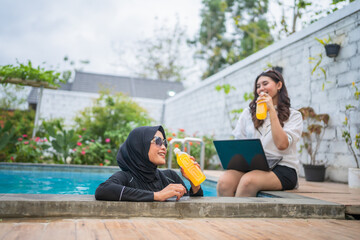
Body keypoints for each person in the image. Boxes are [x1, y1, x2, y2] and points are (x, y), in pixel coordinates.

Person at [217, 69, 303, 197]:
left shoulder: (294, 115)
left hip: (283, 168)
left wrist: (272, 111)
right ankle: (225, 217)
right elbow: (239, 142)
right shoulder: (248, 113)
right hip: (254, 165)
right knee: (224, 182)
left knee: (248, 181)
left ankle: (242, 217)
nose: (261, 89)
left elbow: (282, 145)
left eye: (265, 84)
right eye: (258, 86)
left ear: (279, 85)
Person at [95, 125, 203, 201]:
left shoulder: (171, 177)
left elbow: (193, 207)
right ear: (139, 146)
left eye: (164, 142)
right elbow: (103, 190)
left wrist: (195, 184)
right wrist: (157, 195)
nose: (164, 147)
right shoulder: (126, 177)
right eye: (157, 141)